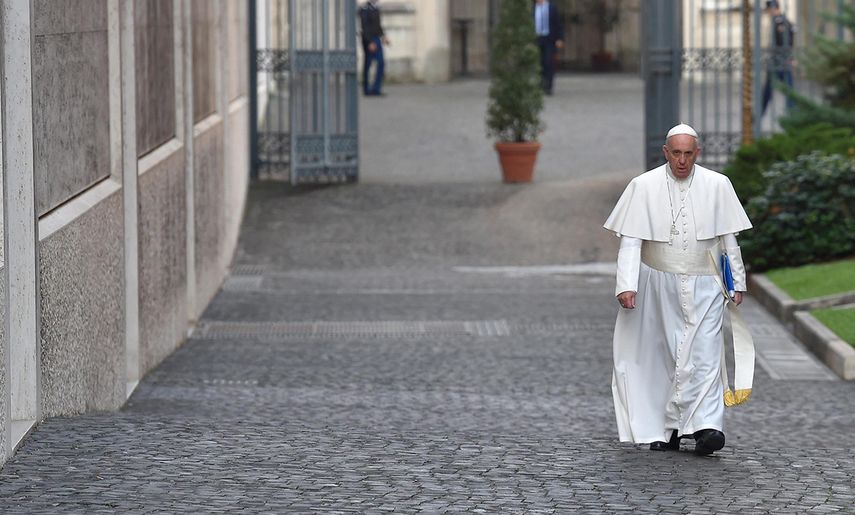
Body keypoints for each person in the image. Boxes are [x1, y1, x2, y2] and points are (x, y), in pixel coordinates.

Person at [603, 123, 755, 456]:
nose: (682, 161)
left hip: (707, 283)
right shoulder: (642, 187)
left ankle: (707, 427)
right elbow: (631, 242)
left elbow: (728, 238)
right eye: (676, 153)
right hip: (658, 283)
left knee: (704, 353)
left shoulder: (718, 185)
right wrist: (626, 285)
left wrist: (737, 282)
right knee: (664, 356)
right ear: (666, 153)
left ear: (697, 153)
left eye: (688, 153)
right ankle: (667, 429)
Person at [761, 0, 795, 115]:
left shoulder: (781, 22)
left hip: (780, 61)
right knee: (772, 90)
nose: (768, 13)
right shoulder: (779, 21)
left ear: (773, 9)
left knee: (788, 91)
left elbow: (787, 43)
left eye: (769, 10)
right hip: (778, 61)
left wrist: (790, 58)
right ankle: (759, 113)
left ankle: (793, 114)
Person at [533, 0, 564, 95]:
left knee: (548, 62)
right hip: (537, 39)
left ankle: (549, 86)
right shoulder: (533, 8)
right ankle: (540, 84)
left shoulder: (552, 7)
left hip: (549, 39)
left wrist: (560, 38)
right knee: (539, 63)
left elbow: (558, 23)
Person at [358, 0, 389, 96]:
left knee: (381, 63)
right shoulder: (364, 9)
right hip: (369, 39)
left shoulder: (376, 8)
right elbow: (365, 27)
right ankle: (367, 89)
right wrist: (370, 42)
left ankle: (376, 89)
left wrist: (383, 36)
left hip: (377, 38)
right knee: (368, 64)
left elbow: (378, 26)